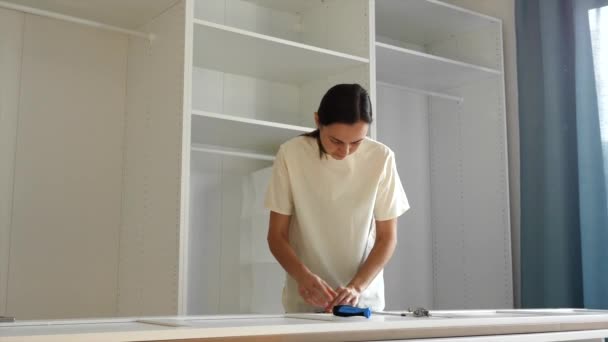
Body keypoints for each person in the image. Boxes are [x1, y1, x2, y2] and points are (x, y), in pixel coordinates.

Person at [265, 83, 409, 313]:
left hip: (362, 303)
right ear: (317, 121)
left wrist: (356, 287)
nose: (345, 151)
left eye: (356, 142)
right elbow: (276, 236)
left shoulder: (381, 158)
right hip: (306, 301)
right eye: (336, 141)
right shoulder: (291, 155)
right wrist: (304, 277)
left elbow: (387, 238)